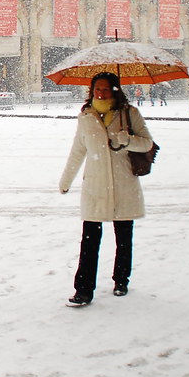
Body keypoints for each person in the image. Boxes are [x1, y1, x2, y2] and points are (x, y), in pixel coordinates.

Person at [59, 72, 154, 307]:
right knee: (89, 239)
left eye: (105, 89)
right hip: (95, 185)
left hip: (124, 184)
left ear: (114, 90)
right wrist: (66, 180)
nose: (100, 93)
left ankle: (121, 279)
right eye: (97, 89)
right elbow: (78, 150)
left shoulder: (130, 114)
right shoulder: (86, 116)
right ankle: (83, 289)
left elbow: (147, 143)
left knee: (123, 237)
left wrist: (127, 139)